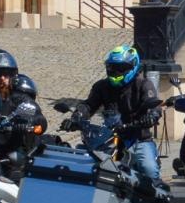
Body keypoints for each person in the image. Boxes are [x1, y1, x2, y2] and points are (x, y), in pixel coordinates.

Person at [65, 45, 163, 186]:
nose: (116, 72)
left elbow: (153, 104)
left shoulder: (143, 84)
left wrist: (151, 115)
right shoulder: (101, 86)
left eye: (121, 68)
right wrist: (76, 118)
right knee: (89, 165)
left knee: (149, 168)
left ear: (133, 66)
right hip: (109, 136)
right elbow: (89, 105)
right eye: (112, 68)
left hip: (138, 137)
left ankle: (156, 193)